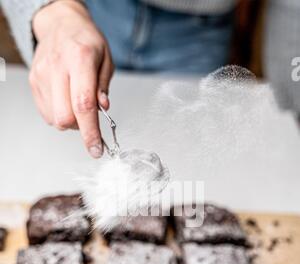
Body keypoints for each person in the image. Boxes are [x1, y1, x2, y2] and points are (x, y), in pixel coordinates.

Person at [1, 0, 300, 158]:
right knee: (64, 150)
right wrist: (49, 10)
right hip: (87, 11)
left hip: (200, 30)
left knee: (187, 160)